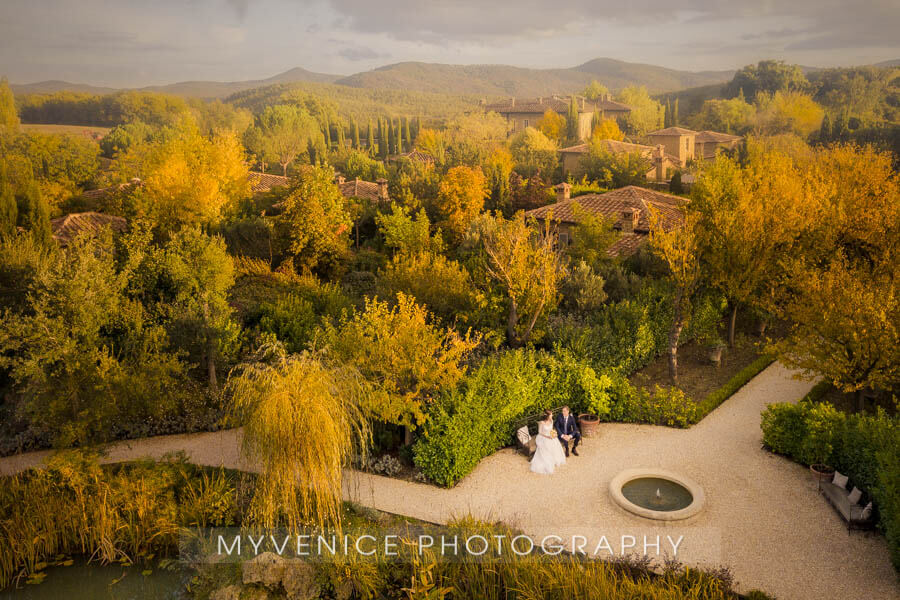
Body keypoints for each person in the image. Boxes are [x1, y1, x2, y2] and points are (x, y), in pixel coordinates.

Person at [530, 410, 566, 475]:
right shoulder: (541, 423)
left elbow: (551, 430)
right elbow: (540, 432)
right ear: (547, 416)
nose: (552, 415)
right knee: (547, 444)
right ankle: (547, 461)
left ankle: (554, 459)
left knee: (555, 443)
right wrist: (547, 436)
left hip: (550, 436)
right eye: (551, 415)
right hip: (542, 437)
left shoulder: (551, 421)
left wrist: (553, 434)